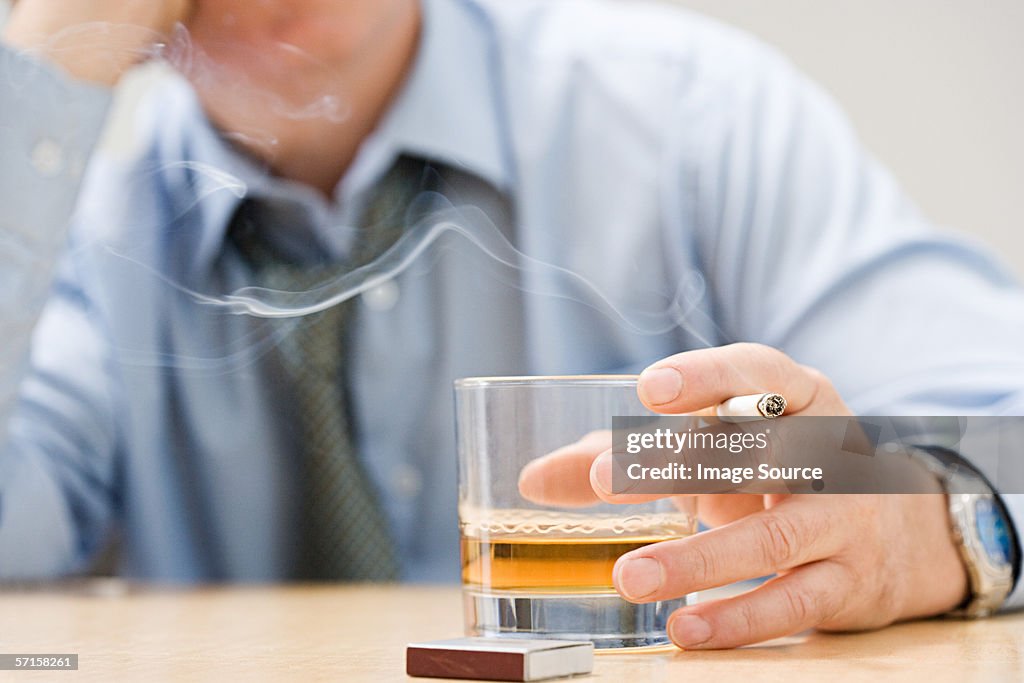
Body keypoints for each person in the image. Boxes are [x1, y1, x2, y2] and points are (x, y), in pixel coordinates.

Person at [1, 0, 1022, 650]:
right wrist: (37, 72)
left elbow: (1008, 436)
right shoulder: (72, 233)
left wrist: (929, 522)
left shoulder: (689, 118)